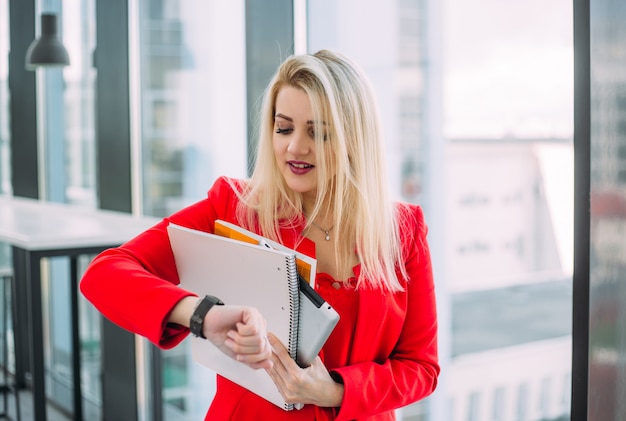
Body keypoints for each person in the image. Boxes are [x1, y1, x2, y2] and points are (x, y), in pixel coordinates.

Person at [80, 49, 439, 420]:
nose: (295, 147)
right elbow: (105, 273)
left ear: (355, 139)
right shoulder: (237, 209)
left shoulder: (403, 231)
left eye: (319, 133)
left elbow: (421, 367)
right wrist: (203, 315)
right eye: (284, 128)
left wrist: (331, 391)